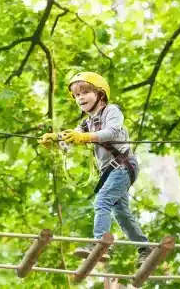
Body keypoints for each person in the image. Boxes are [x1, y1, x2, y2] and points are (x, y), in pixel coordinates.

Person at [40, 72, 152, 266]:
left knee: (102, 201)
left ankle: (101, 244)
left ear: (100, 94)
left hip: (123, 166)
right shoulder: (87, 123)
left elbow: (112, 132)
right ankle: (145, 249)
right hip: (110, 171)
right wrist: (56, 139)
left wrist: (85, 137)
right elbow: (72, 138)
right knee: (121, 214)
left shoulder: (111, 111)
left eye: (85, 92)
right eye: (76, 95)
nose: (80, 97)